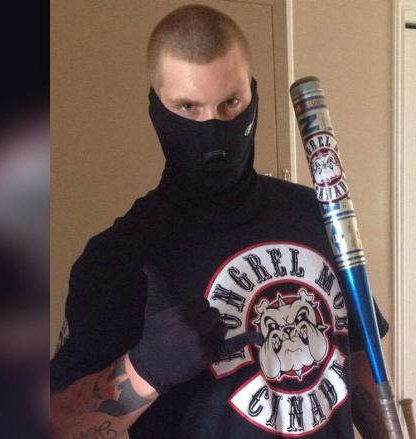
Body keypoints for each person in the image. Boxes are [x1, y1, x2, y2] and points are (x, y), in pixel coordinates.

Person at [50, 4, 389, 438]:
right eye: (188, 107)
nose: (213, 129)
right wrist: (144, 370)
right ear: (157, 108)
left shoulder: (316, 214)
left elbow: (359, 361)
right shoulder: (116, 257)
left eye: (230, 103)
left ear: (253, 96)